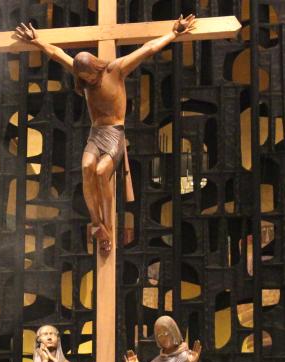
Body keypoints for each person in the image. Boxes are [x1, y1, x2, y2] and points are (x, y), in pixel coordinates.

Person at [14, 15, 196, 253]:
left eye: (89, 75)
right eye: (83, 78)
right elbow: (58, 54)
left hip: (114, 133)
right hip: (95, 133)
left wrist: (174, 33)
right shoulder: (83, 78)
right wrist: (38, 42)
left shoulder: (116, 69)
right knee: (87, 167)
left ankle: (108, 225)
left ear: (95, 66)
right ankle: (97, 223)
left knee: (101, 172)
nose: (87, 80)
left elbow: (147, 49)